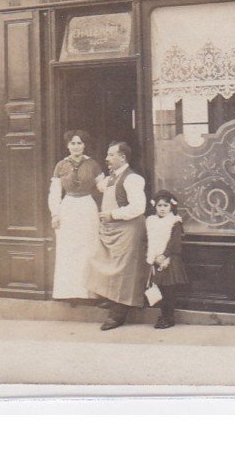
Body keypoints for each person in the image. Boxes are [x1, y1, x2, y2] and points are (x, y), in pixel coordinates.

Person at [86, 141, 148, 330]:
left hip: (128, 229)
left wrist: (113, 214)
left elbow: (138, 207)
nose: (106, 159)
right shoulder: (113, 177)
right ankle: (113, 300)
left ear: (122, 157)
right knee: (106, 264)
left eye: (110, 155)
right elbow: (101, 186)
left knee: (123, 272)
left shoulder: (132, 179)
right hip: (112, 230)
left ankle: (119, 314)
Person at [48, 130, 104, 301]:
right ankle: (69, 292)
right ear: (67, 145)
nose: (76, 146)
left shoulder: (93, 164)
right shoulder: (61, 165)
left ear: (84, 145)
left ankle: (89, 292)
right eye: (73, 143)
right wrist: (55, 214)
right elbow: (55, 192)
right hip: (69, 208)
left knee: (88, 247)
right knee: (69, 249)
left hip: (87, 207)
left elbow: (102, 187)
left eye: (79, 143)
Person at [145, 190, 189, 329]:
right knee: (161, 290)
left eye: (165, 206)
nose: (162, 209)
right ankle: (163, 316)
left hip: (169, 260)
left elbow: (174, 242)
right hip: (155, 260)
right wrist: (152, 256)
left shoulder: (174, 222)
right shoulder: (151, 221)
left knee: (169, 291)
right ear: (155, 207)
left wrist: (164, 255)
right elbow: (149, 239)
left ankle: (169, 318)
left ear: (171, 207)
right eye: (159, 206)